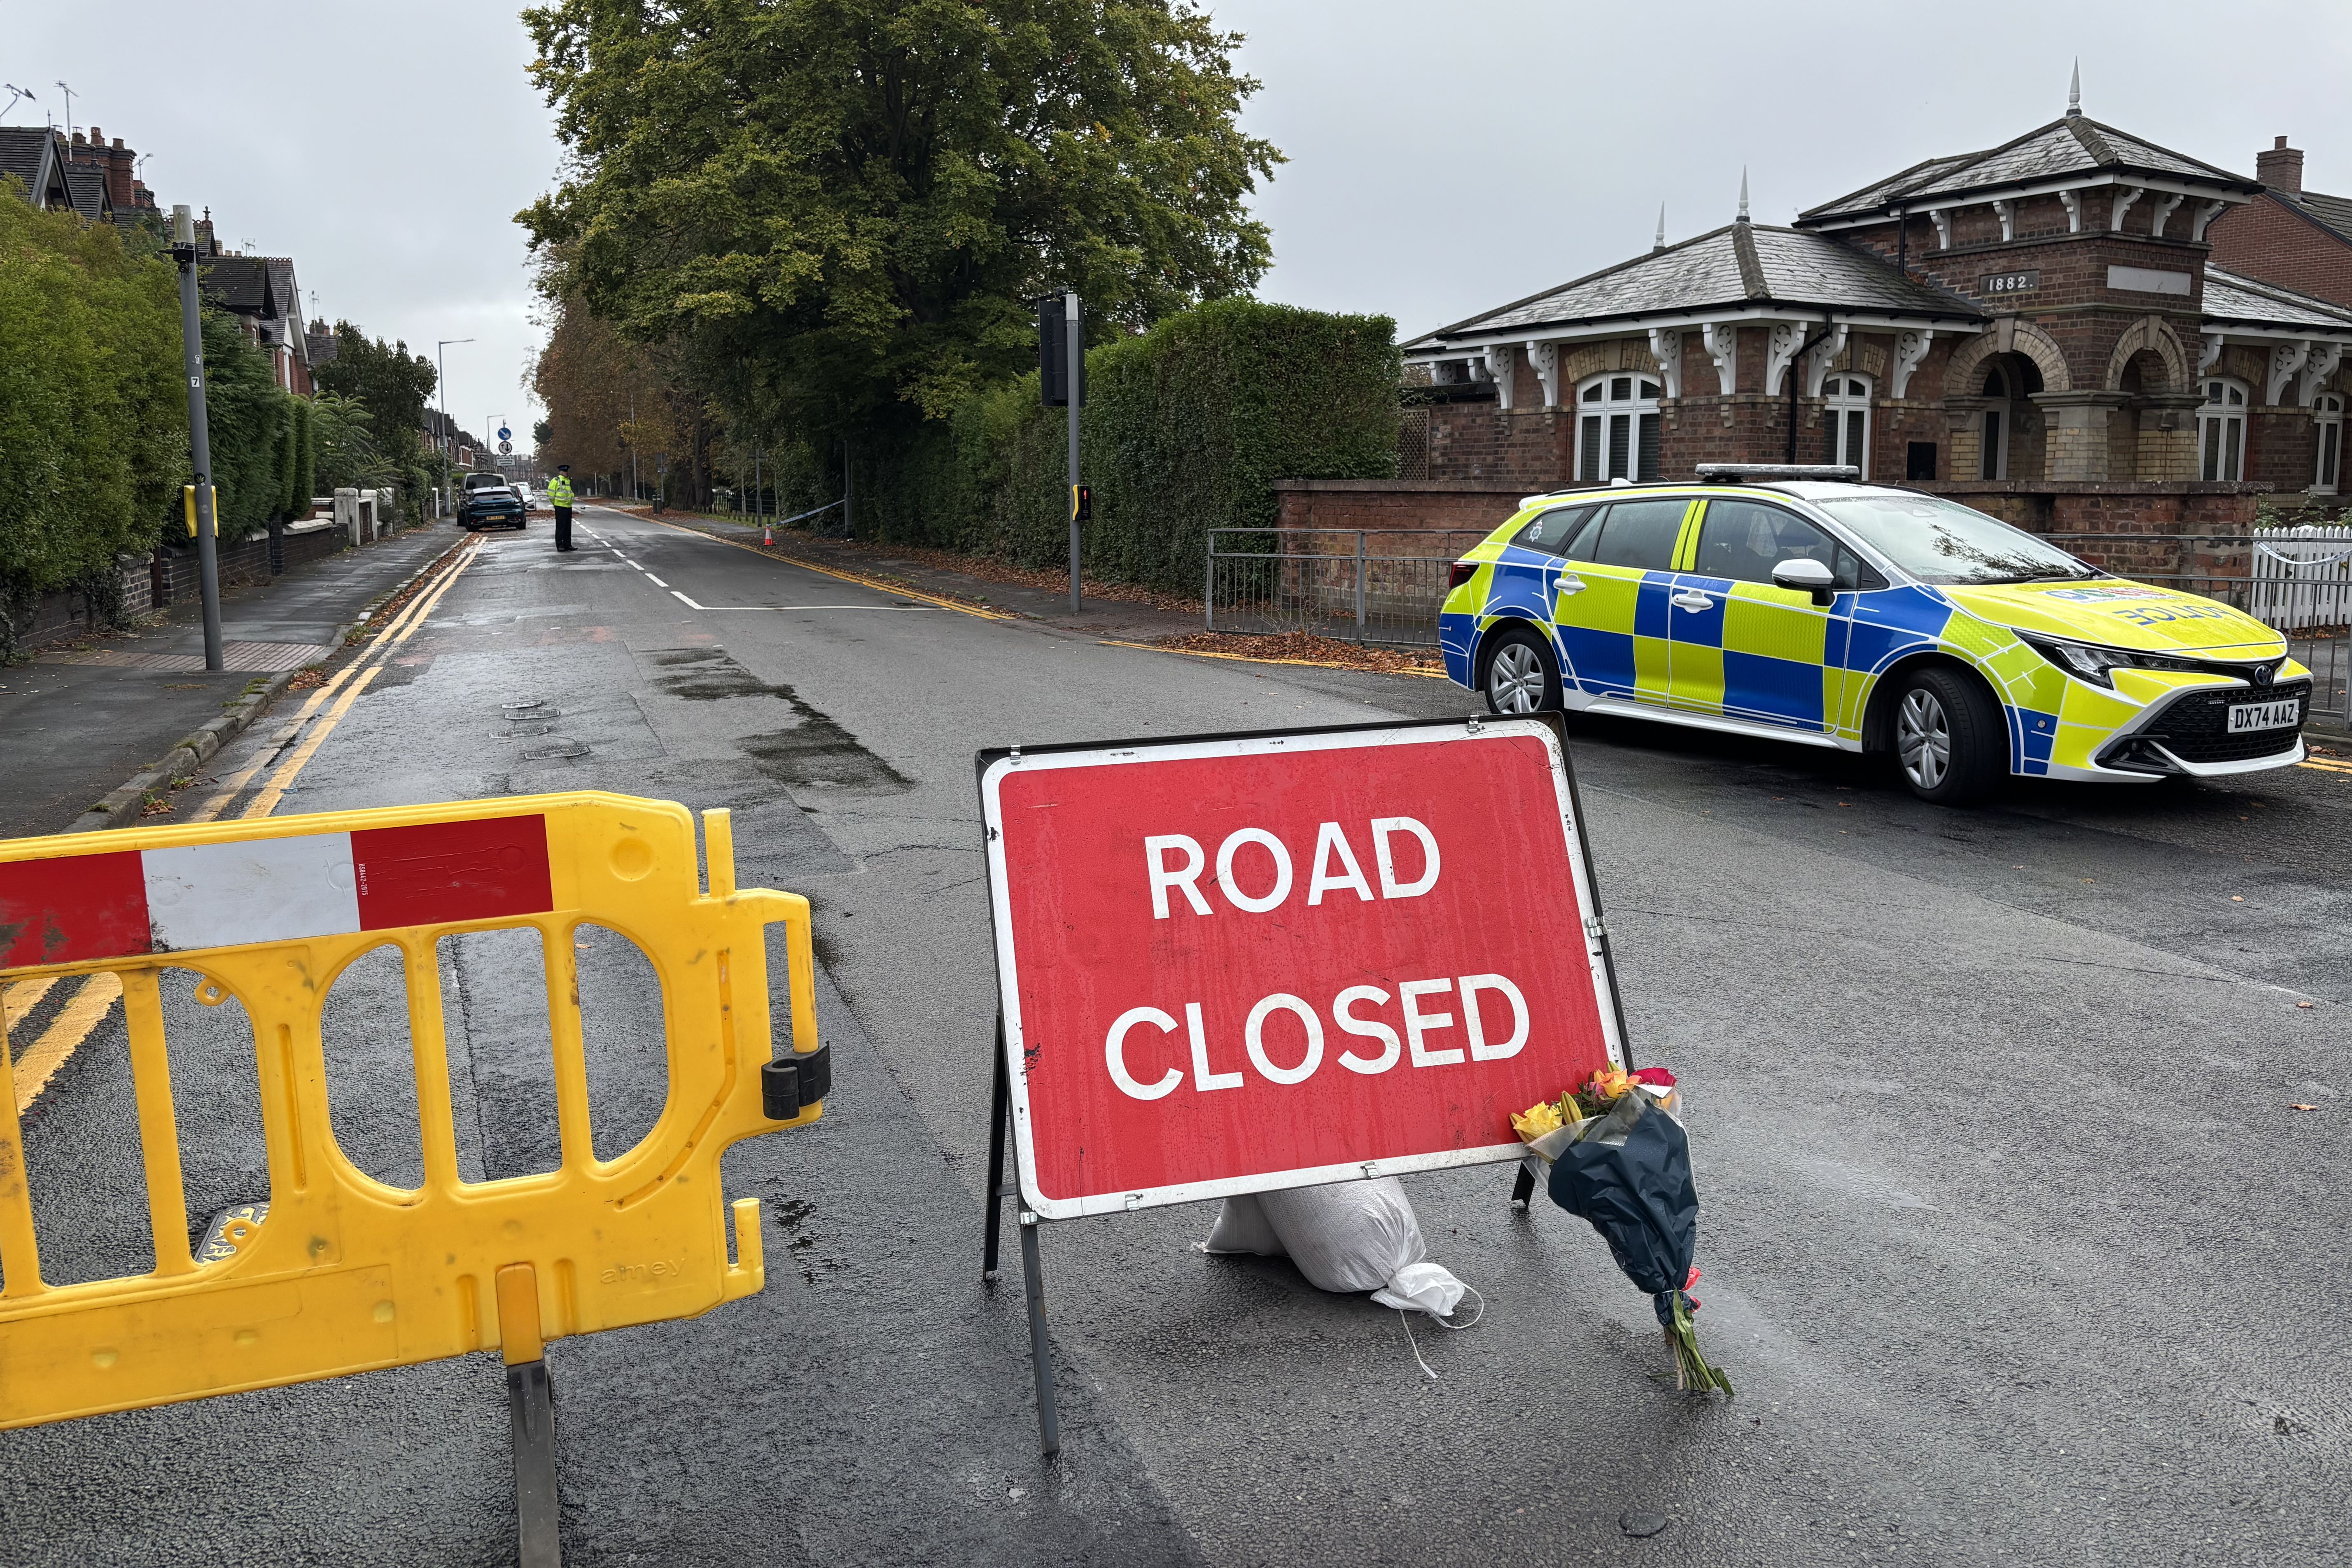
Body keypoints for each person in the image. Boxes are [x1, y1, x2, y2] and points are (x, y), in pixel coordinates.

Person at [547, 465, 576, 552]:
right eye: (564, 471)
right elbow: (551, 494)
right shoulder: (556, 481)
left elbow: (569, 493)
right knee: (560, 527)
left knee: (568, 527)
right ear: (560, 472)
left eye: (566, 471)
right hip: (560, 507)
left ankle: (568, 545)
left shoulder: (568, 481)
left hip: (568, 507)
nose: (566, 473)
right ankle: (560, 545)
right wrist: (555, 504)